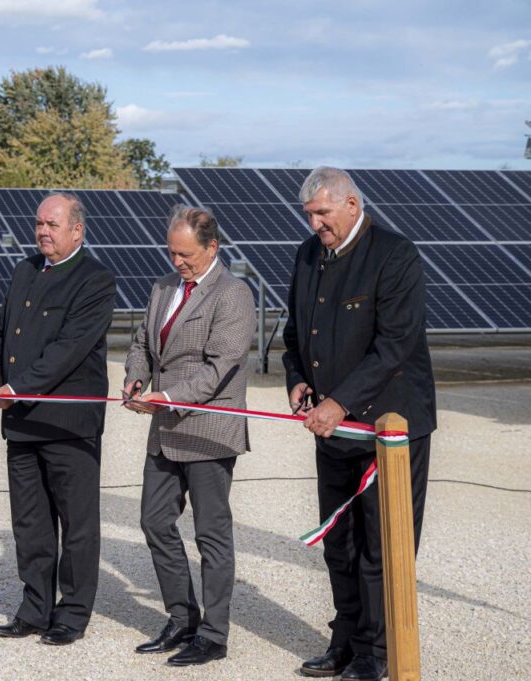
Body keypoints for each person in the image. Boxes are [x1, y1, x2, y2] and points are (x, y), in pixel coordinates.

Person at [283, 167, 435, 681]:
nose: (316, 223)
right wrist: (299, 379)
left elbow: (394, 344)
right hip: (333, 428)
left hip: (388, 430)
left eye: (323, 213)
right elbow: (293, 332)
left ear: (351, 204)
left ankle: (379, 653)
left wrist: (341, 401)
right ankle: (345, 640)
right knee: (339, 541)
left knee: (381, 545)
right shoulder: (308, 255)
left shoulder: (394, 254)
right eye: (309, 215)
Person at [0, 192, 116, 646]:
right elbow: (4, 332)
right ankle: (34, 608)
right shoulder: (24, 270)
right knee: (31, 522)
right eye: (39, 223)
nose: (42, 231)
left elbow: (69, 348)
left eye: (52, 224)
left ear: (76, 229)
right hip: (22, 421)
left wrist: (17, 390)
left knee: (77, 523)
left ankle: (72, 614)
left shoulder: (95, 280)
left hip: (66, 423)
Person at [123, 206, 256, 667]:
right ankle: (182, 618)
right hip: (164, 429)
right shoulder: (162, 287)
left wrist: (167, 395)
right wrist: (136, 380)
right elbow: (142, 342)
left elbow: (222, 366)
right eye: (172, 252)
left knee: (211, 534)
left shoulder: (234, 294)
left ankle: (214, 636)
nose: (177, 262)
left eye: (186, 255)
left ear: (212, 248)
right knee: (155, 521)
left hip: (209, 431)